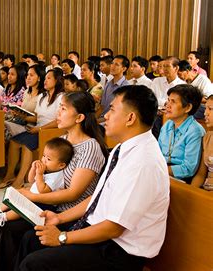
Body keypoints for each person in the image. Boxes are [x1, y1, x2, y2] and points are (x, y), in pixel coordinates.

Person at [14, 85, 169, 271]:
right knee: (30, 239)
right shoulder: (123, 149)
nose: (106, 116)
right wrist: (59, 218)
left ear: (130, 118)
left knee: (34, 264)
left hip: (118, 251)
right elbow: (98, 197)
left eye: (111, 109)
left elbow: (114, 228)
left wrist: (62, 237)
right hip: (102, 233)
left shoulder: (143, 162)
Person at [0, 91, 107, 270]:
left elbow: (73, 194)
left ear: (79, 117)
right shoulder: (63, 140)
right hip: (50, 205)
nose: (58, 113)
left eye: (63, 109)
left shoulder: (90, 147)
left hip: (70, 213)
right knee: (3, 225)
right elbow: (44, 175)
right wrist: (34, 176)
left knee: (15, 231)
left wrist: (33, 197)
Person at [0, 137, 74, 231]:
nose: (44, 160)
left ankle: (1, 218)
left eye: (48, 159)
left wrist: (39, 174)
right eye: (43, 156)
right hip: (34, 196)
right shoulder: (47, 170)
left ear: (61, 165)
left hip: (44, 203)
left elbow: (43, 190)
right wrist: (33, 168)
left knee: (22, 207)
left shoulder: (57, 176)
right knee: (16, 194)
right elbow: (31, 180)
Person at [0, 68, 64, 189]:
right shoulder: (42, 96)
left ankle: (20, 180)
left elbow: (58, 121)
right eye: (45, 78)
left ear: (57, 80)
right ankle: (10, 174)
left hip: (50, 131)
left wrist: (39, 129)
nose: (45, 80)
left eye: (49, 78)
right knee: (14, 141)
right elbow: (37, 118)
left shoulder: (61, 98)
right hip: (38, 129)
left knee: (26, 145)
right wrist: (22, 116)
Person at [158, 84, 205, 182]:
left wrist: (159, 170)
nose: (167, 105)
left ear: (187, 108)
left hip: (181, 178)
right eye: (168, 100)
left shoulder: (195, 131)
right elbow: (157, 154)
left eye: (173, 102)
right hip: (161, 171)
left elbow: (188, 169)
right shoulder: (167, 125)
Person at [192, 95, 213, 190]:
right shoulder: (207, 137)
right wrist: (192, 192)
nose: (205, 113)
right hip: (205, 189)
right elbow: (201, 174)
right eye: (206, 109)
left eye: (210, 109)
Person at [100, 55, 130, 120]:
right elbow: (102, 106)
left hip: (113, 120)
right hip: (103, 118)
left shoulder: (126, 87)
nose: (112, 66)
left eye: (116, 64)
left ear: (124, 69)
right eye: (112, 63)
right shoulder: (108, 83)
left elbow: (120, 112)